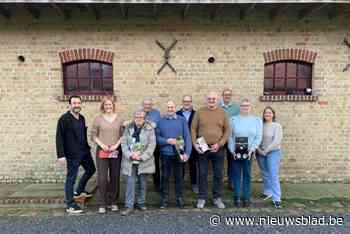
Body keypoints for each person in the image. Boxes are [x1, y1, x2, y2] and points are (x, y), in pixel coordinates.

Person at [56, 95, 96, 214]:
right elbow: (59, 137)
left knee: (91, 169)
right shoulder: (64, 119)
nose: (77, 105)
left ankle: (79, 190)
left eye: (78, 103)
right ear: (69, 105)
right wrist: (61, 155)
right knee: (71, 178)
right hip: (72, 154)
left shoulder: (82, 118)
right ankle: (70, 204)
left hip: (84, 151)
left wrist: (87, 147)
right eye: (74, 103)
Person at [191, 91, 231, 209]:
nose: (211, 100)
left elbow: (228, 130)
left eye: (214, 98)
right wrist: (195, 144)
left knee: (218, 174)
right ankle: (201, 198)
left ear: (217, 99)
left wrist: (220, 143)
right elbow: (193, 128)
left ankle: (217, 198)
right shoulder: (200, 112)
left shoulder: (222, 112)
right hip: (202, 147)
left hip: (217, 147)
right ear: (206, 99)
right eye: (209, 98)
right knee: (202, 173)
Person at [157, 101, 192, 209]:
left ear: (175, 108)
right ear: (166, 108)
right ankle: (164, 199)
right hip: (165, 153)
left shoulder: (181, 120)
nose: (170, 109)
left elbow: (187, 136)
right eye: (168, 107)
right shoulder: (161, 121)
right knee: (165, 177)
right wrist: (167, 140)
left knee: (179, 178)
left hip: (180, 153)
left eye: (172, 107)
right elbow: (157, 138)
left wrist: (187, 153)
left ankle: (180, 198)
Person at [120, 109, 156, 215]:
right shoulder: (128, 128)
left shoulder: (149, 129)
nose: (138, 119)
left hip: (144, 161)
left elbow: (152, 145)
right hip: (130, 160)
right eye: (136, 117)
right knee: (130, 183)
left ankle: (141, 203)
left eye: (141, 117)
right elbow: (123, 143)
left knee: (143, 183)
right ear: (134, 118)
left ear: (144, 118)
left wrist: (142, 157)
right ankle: (129, 206)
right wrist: (130, 155)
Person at [91, 96, 123, 214]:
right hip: (102, 150)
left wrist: (116, 145)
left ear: (113, 105)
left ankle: (113, 202)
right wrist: (102, 144)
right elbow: (93, 135)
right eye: (106, 105)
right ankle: (102, 203)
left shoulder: (119, 119)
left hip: (115, 150)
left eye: (110, 105)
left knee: (115, 176)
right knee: (102, 178)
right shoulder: (98, 119)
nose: (108, 107)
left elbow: (123, 135)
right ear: (103, 106)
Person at [228, 98, 262, 208]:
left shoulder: (256, 120)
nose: (245, 107)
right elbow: (230, 136)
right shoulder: (233, 120)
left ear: (250, 107)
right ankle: (237, 197)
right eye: (243, 106)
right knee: (236, 174)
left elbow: (258, 137)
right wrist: (232, 150)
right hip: (236, 151)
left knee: (247, 175)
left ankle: (246, 197)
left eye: (247, 105)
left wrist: (252, 149)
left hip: (249, 151)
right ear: (240, 107)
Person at [256, 106, 283, 209]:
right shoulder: (260, 125)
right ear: (263, 115)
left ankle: (276, 198)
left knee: (273, 174)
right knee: (264, 172)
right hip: (260, 152)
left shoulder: (277, 126)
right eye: (266, 113)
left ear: (273, 114)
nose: (267, 114)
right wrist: (258, 150)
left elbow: (277, 141)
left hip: (273, 152)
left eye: (269, 113)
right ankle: (268, 192)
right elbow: (256, 138)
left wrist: (266, 151)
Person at [176, 95, 198, 194]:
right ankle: (180, 185)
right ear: (182, 102)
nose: (187, 103)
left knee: (193, 164)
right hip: (180, 142)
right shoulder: (177, 114)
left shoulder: (196, 114)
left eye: (189, 101)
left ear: (191, 102)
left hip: (193, 142)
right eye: (185, 101)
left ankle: (194, 184)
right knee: (181, 164)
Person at [219, 88, 240, 191]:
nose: (227, 96)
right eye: (225, 94)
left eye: (229, 95)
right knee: (219, 160)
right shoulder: (218, 106)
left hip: (233, 138)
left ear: (231, 96)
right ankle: (219, 182)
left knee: (232, 161)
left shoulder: (236, 108)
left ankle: (231, 182)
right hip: (220, 138)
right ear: (222, 96)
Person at [142, 98, 161, 192]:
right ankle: (142, 186)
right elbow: (138, 124)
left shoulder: (156, 113)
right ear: (143, 105)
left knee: (155, 164)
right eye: (146, 104)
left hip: (154, 143)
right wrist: (148, 124)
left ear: (152, 105)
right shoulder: (138, 112)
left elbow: (154, 125)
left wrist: (145, 123)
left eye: (149, 104)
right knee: (142, 164)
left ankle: (157, 185)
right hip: (142, 144)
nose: (147, 106)